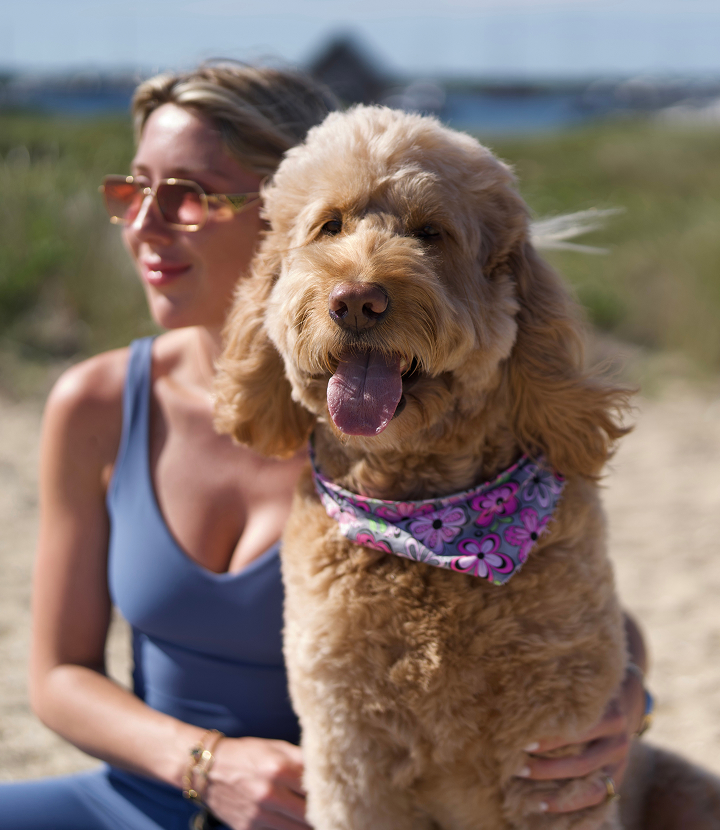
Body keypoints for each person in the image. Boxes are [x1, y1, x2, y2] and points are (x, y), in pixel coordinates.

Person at [0, 61, 649, 830]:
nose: (146, 224)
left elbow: (555, 600)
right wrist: (206, 764)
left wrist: (629, 697)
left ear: (271, 209)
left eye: (191, 195)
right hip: (154, 796)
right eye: (133, 190)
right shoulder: (100, 402)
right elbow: (57, 677)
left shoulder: (419, 439)